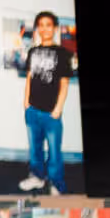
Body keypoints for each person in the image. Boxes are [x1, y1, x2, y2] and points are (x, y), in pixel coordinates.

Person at [13, 10, 77, 194]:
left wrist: (58, 108)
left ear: (55, 28)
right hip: (32, 110)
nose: (44, 29)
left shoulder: (63, 53)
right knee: (35, 149)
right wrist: (26, 103)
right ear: (38, 29)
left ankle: (56, 183)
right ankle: (37, 178)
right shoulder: (33, 51)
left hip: (51, 112)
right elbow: (29, 78)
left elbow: (64, 83)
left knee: (55, 152)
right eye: (41, 25)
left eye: (48, 25)